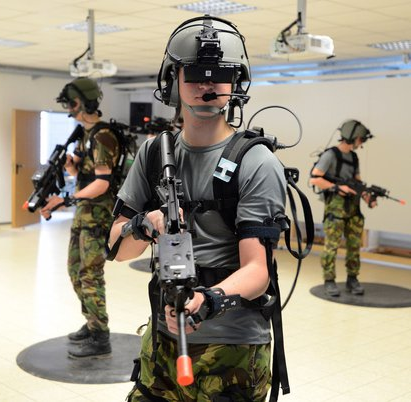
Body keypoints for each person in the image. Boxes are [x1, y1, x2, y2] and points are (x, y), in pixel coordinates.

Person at [108, 15, 287, 401]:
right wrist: (142, 226)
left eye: (220, 75)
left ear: (236, 84)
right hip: (161, 338)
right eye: (196, 74)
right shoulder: (155, 153)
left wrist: (208, 300)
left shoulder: (256, 162)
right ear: (174, 81)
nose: (207, 85)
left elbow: (258, 270)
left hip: (231, 349)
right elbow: (117, 249)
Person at [41, 77, 121, 358]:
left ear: (82, 102)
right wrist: (71, 167)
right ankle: (91, 322)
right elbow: (84, 177)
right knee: (75, 272)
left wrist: (66, 199)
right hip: (84, 215)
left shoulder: (102, 137)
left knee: (90, 275)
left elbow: (103, 183)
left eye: (71, 104)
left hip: (98, 217)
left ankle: (101, 336)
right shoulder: (86, 135)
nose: (69, 110)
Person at [309, 120, 376, 297]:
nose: (361, 143)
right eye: (360, 139)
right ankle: (329, 280)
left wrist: (367, 195)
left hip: (353, 209)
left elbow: (358, 182)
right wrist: (337, 188)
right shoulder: (330, 155)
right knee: (331, 246)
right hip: (335, 210)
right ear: (352, 137)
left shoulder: (354, 158)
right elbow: (314, 179)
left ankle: (352, 279)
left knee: (354, 246)